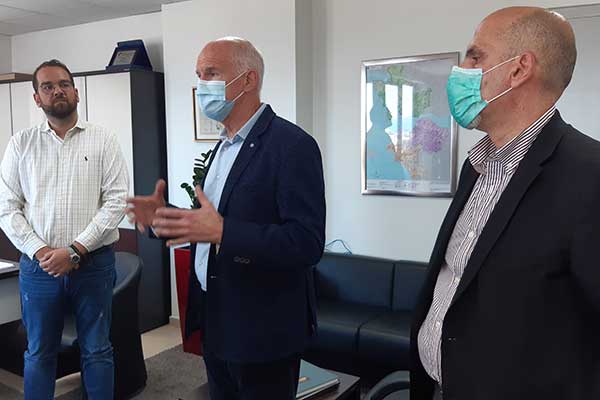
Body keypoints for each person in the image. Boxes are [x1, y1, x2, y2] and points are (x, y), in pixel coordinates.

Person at [411, 7, 600, 400]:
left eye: (475, 56)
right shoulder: (477, 165)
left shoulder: (589, 176)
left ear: (519, 69)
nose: (461, 70)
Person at [127, 37, 326, 400]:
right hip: (216, 319)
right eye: (198, 75)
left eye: (211, 73)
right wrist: (162, 219)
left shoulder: (292, 146)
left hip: (263, 332)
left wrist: (225, 233)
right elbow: (210, 223)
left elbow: (306, 242)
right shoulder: (222, 147)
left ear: (248, 79)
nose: (201, 84)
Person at [0, 59, 129, 400]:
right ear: (37, 98)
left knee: (97, 349)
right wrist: (44, 252)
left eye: (63, 84)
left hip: (93, 264)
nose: (57, 90)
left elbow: (116, 202)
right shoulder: (21, 144)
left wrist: (74, 250)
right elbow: (6, 208)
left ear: (76, 92)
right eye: (47, 86)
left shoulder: (103, 140)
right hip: (39, 268)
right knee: (39, 351)